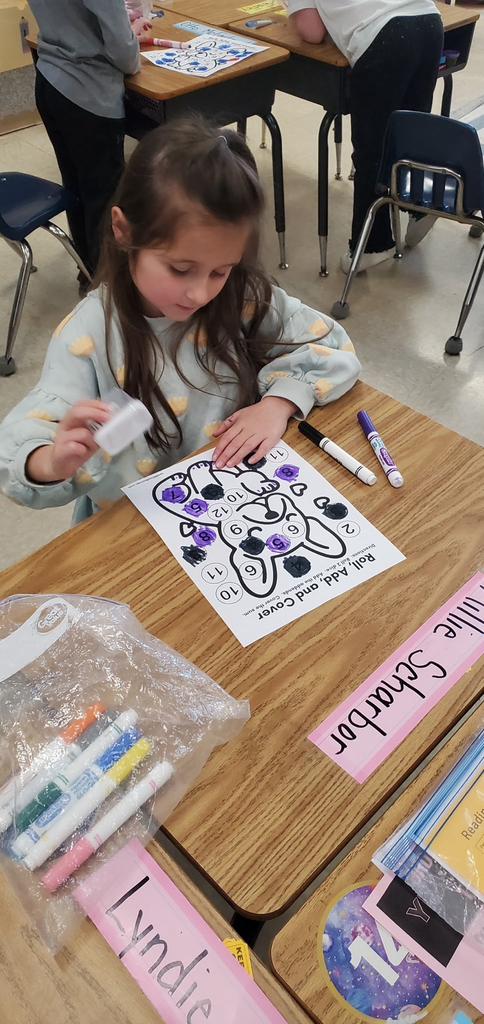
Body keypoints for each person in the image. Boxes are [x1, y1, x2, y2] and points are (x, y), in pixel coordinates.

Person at [0, 118, 361, 525]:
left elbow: (331, 347)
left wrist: (278, 403)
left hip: (229, 510)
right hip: (130, 531)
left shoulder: (240, 294)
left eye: (220, 270)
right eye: (180, 268)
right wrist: (49, 462)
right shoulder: (88, 334)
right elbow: (19, 448)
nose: (200, 293)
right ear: (123, 230)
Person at [287, 0, 444, 272]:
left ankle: (374, 245)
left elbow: (312, 32)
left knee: (372, 150)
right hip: (428, 21)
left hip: (385, 37)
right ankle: (420, 204)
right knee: (410, 133)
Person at [29, 0, 152, 282]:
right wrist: (127, 40)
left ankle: (87, 270)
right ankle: (106, 284)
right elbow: (124, 55)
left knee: (76, 184)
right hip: (87, 90)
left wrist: (123, 30)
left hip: (51, 77)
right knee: (104, 197)